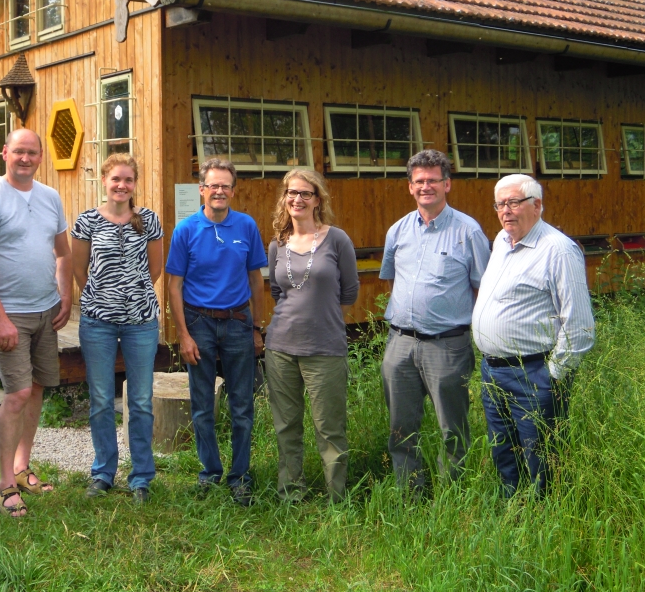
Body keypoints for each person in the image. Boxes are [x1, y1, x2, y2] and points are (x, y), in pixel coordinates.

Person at [0, 128, 72, 517]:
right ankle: (5, 485)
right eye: (19, 152)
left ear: (41, 157)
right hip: (9, 313)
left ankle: (22, 466)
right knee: (17, 394)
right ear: (5, 153)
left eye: (33, 153)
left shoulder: (50, 197)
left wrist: (66, 296)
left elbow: (63, 253)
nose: (25, 159)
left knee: (39, 387)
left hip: (46, 310)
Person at [473, 174, 595, 496]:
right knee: (503, 450)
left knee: (541, 458)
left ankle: (546, 520)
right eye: (500, 204)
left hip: (534, 373)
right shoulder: (500, 241)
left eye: (514, 202)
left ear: (536, 205)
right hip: (493, 370)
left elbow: (580, 327)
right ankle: (513, 511)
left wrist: (551, 375)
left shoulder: (558, 250)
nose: (505, 211)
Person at [379, 149, 490, 492]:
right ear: (410, 187)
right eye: (419, 181)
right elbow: (391, 280)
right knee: (401, 426)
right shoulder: (397, 231)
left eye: (433, 180)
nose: (426, 186)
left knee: (452, 429)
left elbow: (483, 289)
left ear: (447, 184)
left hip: (447, 346)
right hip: (400, 344)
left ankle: (451, 498)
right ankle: (409, 492)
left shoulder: (468, 231)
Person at [166, 158, 267, 507]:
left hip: (239, 322)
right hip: (199, 323)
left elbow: (256, 280)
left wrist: (257, 328)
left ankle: (240, 476)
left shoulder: (247, 226)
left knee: (242, 405)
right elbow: (174, 285)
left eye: (226, 186)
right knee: (202, 406)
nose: (219, 191)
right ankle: (209, 472)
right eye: (213, 185)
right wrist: (183, 334)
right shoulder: (186, 230)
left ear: (233, 191)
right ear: (202, 190)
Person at [71, 154, 163, 504]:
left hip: (141, 321)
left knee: (139, 400)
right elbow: (80, 270)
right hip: (98, 322)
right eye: (115, 179)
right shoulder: (87, 221)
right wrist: (103, 298)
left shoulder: (149, 220)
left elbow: (155, 269)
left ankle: (141, 477)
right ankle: (103, 472)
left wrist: (131, 297)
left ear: (135, 184)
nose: (121, 185)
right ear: (105, 181)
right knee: (100, 399)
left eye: (128, 179)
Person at [264, 170, 359, 503]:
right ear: (284, 198)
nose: (297, 200)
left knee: (329, 429)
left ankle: (337, 498)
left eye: (305, 193)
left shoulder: (337, 239)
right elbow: (277, 290)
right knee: (286, 427)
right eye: (291, 193)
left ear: (318, 199)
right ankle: (291, 493)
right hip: (280, 349)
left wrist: (321, 320)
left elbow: (349, 292)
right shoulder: (278, 243)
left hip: (324, 349)